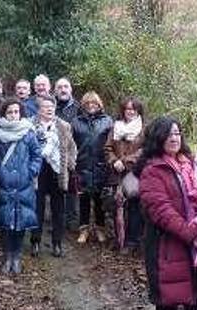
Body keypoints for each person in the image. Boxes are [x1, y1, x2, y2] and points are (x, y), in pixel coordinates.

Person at [138, 117, 197, 310]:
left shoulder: (190, 165)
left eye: (177, 133)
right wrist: (189, 233)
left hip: (195, 243)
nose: (174, 138)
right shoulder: (152, 170)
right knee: (166, 298)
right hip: (166, 245)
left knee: (195, 298)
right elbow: (160, 210)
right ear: (158, 139)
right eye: (169, 135)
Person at [0, 97, 42, 274]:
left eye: (16, 111)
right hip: (4, 185)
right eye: (10, 112)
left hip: (24, 185)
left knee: (20, 222)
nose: (13, 115)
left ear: (21, 113)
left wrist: (31, 171)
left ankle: (17, 256)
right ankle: (7, 256)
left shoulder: (28, 132)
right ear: (4, 113)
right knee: (5, 222)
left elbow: (37, 155)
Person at [30, 95, 77, 258]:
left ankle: (57, 243)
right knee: (38, 208)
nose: (49, 109)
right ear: (39, 109)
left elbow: (72, 147)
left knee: (59, 209)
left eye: (52, 106)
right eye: (45, 106)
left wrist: (70, 165)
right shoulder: (30, 125)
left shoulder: (64, 126)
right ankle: (35, 241)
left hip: (58, 171)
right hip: (38, 170)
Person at [72, 91, 114, 245]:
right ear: (83, 105)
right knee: (83, 199)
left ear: (99, 105)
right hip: (81, 165)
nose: (91, 106)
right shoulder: (76, 122)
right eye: (88, 103)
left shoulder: (108, 121)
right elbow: (71, 144)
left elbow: (111, 143)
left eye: (94, 103)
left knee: (98, 200)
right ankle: (83, 230)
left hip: (100, 166)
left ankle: (100, 229)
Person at [105, 96, 145, 253]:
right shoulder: (116, 127)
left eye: (133, 109)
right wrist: (114, 161)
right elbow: (108, 147)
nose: (130, 111)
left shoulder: (144, 128)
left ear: (138, 110)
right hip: (116, 172)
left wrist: (126, 161)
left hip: (134, 173)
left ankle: (132, 241)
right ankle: (118, 238)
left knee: (134, 206)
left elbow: (144, 149)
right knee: (116, 205)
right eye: (127, 109)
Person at [54, 77, 80, 230]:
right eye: (60, 87)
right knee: (57, 187)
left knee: (72, 187)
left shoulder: (78, 107)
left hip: (73, 152)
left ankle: (71, 219)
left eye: (66, 87)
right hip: (55, 154)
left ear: (71, 89)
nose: (63, 90)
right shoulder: (52, 107)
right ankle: (58, 218)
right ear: (55, 90)